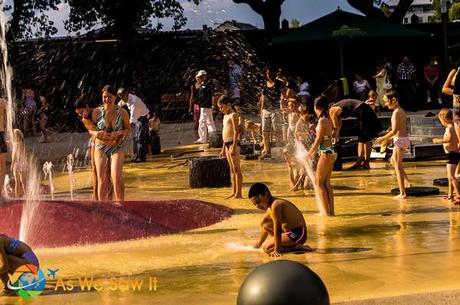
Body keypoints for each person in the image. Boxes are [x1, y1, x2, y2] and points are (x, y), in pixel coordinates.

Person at [249, 183, 311, 257]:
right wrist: (259, 243)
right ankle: (287, 244)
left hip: (297, 234)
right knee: (265, 223)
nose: (257, 206)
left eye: (258, 202)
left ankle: (296, 247)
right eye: (254, 204)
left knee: (267, 248)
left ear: (267, 195)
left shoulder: (276, 205)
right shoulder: (269, 206)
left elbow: (277, 229)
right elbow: (264, 225)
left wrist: (277, 250)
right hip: (288, 233)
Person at [92, 85, 131, 202]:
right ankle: (103, 207)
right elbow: (90, 128)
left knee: (116, 176)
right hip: (100, 147)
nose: (107, 100)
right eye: (104, 97)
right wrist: (96, 133)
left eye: (109, 97)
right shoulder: (96, 112)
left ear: (115, 98)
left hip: (116, 147)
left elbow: (128, 130)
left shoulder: (122, 112)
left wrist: (118, 132)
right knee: (102, 179)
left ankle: (120, 205)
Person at [376, 91, 411, 199]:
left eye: (387, 101)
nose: (386, 104)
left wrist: (383, 138)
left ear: (394, 100)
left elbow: (395, 130)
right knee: (393, 162)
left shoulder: (396, 112)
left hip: (400, 140)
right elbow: (398, 128)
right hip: (403, 139)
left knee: (397, 166)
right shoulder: (401, 110)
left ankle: (402, 193)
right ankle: (407, 182)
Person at [329, 99, 382, 169]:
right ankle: (359, 162)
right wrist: (335, 137)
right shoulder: (337, 110)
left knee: (366, 138)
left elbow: (335, 127)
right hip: (361, 111)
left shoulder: (331, 111)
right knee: (361, 138)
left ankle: (366, 163)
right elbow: (338, 127)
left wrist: (333, 139)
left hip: (363, 110)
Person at [309, 96, 335, 216]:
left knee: (318, 183)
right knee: (326, 184)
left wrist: (309, 153)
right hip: (330, 152)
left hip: (325, 153)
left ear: (316, 107)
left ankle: (325, 213)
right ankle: (331, 212)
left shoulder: (322, 121)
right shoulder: (328, 119)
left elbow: (318, 139)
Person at [74, 94, 102, 200]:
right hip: (95, 144)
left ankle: (108, 193)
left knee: (104, 171)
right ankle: (95, 195)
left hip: (103, 143)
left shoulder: (98, 111)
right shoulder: (84, 120)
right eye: (79, 114)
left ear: (86, 106)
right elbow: (95, 132)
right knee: (94, 170)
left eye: (81, 112)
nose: (81, 115)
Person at [432, 109, 460, 204]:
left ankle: (459, 195)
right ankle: (450, 196)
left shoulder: (449, 128)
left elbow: (448, 139)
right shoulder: (454, 127)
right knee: (450, 177)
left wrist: (438, 141)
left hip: (452, 155)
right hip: (454, 154)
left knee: (451, 177)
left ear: (444, 119)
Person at [218, 96, 243, 199]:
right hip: (227, 144)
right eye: (219, 108)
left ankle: (239, 193)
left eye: (222, 107)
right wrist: (223, 148)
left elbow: (236, 131)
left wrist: (233, 145)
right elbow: (224, 133)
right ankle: (234, 191)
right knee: (232, 170)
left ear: (228, 105)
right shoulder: (225, 116)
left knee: (237, 169)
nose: (221, 110)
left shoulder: (233, 115)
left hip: (233, 144)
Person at [117, 88, 150, 163]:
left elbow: (132, 120)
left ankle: (141, 158)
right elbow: (119, 105)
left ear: (127, 94)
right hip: (138, 117)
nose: (122, 99)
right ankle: (138, 156)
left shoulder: (134, 102)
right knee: (137, 138)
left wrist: (126, 131)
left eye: (123, 96)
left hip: (143, 117)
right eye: (120, 97)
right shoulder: (126, 98)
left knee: (140, 138)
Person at [259, 68, 284, 159]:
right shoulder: (264, 84)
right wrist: (261, 110)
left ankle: (281, 150)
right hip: (266, 110)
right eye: (267, 74)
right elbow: (263, 97)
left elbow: (283, 94)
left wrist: (283, 105)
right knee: (264, 131)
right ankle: (267, 151)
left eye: (270, 73)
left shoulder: (279, 83)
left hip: (276, 110)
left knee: (277, 130)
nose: (269, 75)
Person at [195, 70, 216, 144]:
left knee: (208, 122)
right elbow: (196, 86)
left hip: (206, 106)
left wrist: (212, 105)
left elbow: (212, 95)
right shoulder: (203, 84)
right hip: (203, 106)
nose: (199, 78)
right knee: (203, 122)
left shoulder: (207, 84)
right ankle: (204, 138)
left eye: (201, 77)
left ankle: (213, 138)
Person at [11, 129, 29, 198]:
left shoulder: (16, 144)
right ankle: (27, 195)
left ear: (16, 136)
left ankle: (17, 196)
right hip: (23, 162)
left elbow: (15, 155)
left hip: (17, 163)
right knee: (23, 181)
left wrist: (12, 164)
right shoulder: (22, 143)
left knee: (17, 182)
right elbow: (26, 153)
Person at [189, 75, 202, 139]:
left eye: (199, 77)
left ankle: (203, 135)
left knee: (202, 120)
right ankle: (197, 135)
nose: (198, 78)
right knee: (196, 120)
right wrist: (190, 107)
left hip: (201, 104)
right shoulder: (193, 86)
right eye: (197, 77)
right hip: (196, 104)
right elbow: (191, 96)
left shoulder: (203, 85)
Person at [0, 98, 7, 203]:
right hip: (0, 134)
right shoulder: (2, 102)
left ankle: (1, 194)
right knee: (2, 168)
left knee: (3, 168)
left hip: (1, 135)